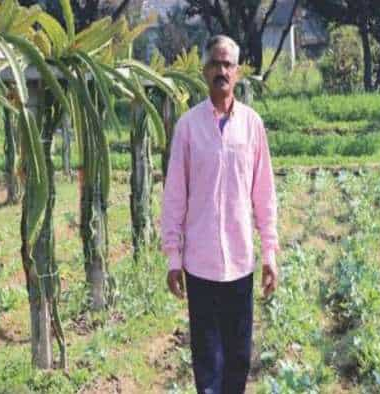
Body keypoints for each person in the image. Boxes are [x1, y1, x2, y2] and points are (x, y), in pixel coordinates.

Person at [160, 35, 280, 394]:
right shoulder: (188, 127)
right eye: (215, 63)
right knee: (207, 361)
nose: (222, 71)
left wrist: (270, 252)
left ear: (238, 72)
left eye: (228, 65)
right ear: (204, 70)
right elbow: (174, 197)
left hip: (240, 263)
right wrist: (172, 256)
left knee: (239, 358)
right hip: (200, 264)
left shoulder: (252, 125)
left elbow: (264, 194)